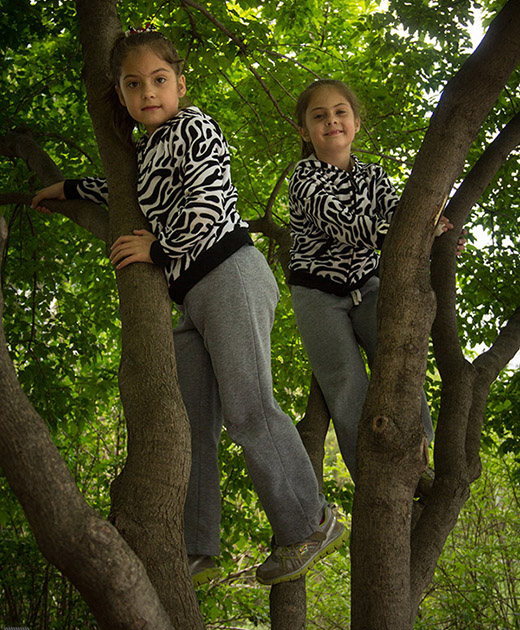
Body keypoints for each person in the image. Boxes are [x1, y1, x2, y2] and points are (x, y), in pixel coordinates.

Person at [31, 29, 346, 587]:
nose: (148, 92)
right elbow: (130, 194)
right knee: (190, 424)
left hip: (229, 274)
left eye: (158, 80)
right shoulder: (149, 150)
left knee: (250, 409)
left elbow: (204, 198)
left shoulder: (193, 126)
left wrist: (157, 247)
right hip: (191, 295)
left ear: (180, 83)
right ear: (121, 95)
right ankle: (197, 546)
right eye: (134, 85)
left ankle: (308, 523)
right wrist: (71, 187)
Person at [288, 78, 462, 483]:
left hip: (367, 285)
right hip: (317, 292)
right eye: (319, 116)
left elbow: (404, 216)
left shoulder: (375, 176)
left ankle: (418, 455)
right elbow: (347, 225)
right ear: (304, 131)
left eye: (340, 112)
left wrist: (438, 233)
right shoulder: (304, 177)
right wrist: (415, 231)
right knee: (345, 380)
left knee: (398, 352)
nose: (332, 121)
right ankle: (370, 472)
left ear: (356, 123)